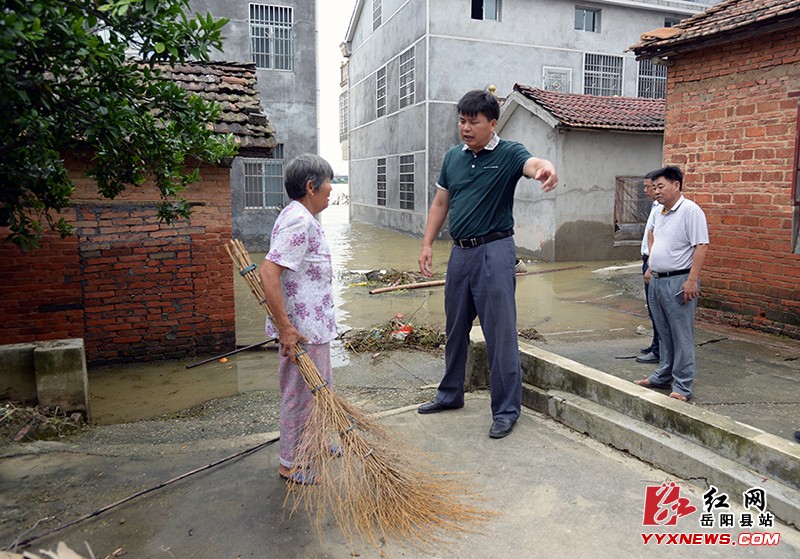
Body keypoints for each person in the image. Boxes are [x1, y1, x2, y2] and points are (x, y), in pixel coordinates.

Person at [416, 89, 558, 439]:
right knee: (455, 330)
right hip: (460, 255)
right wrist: (427, 244)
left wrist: (546, 168)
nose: (465, 128)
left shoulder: (509, 153)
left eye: (473, 122)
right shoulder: (453, 157)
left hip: (495, 251)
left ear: (492, 123)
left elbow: (532, 164)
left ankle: (507, 409)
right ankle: (450, 394)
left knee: (500, 333)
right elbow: (440, 203)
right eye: (461, 121)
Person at [259, 154, 337, 484]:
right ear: (311, 186)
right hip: (302, 332)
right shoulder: (300, 221)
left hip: (314, 328)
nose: (332, 189)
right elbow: (268, 272)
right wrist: (286, 329)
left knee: (320, 388)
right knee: (299, 394)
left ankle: (318, 440)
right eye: (328, 182)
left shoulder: (301, 216)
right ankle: (290, 463)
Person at [634, 166, 709, 402]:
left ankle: (683, 386)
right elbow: (652, 234)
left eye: (660, 186)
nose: (656, 191)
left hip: (679, 281)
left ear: (676, 185)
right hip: (656, 280)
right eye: (653, 187)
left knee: (681, 335)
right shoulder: (659, 211)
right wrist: (652, 265)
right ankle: (662, 375)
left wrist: (692, 280)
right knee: (664, 332)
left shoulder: (690, 211)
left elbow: (701, 246)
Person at [636, 170, 662, 364]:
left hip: (653, 263)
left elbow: (658, 239)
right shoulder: (655, 206)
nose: (646, 190)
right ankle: (655, 344)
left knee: (657, 309)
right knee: (652, 308)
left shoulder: (663, 209)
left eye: (649, 187)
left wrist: (650, 266)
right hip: (647, 259)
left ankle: (659, 350)